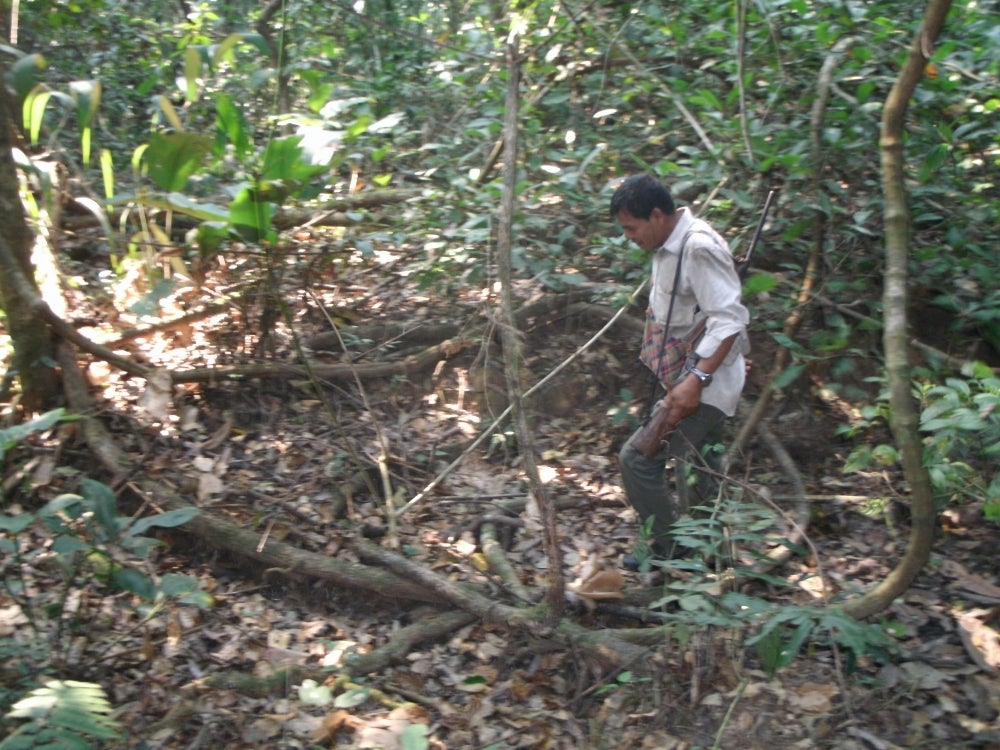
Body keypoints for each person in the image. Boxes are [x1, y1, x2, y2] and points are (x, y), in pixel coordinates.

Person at [610, 174, 749, 571]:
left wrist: (697, 381)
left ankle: (674, 552)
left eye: (631, 228)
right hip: (695, 374)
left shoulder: (698, 247)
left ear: (656, 215)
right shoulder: (670, 245)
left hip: (704, 382)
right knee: (700, 465)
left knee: (637, 460)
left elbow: (729, 319)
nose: (629, 237)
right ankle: (713, 560)